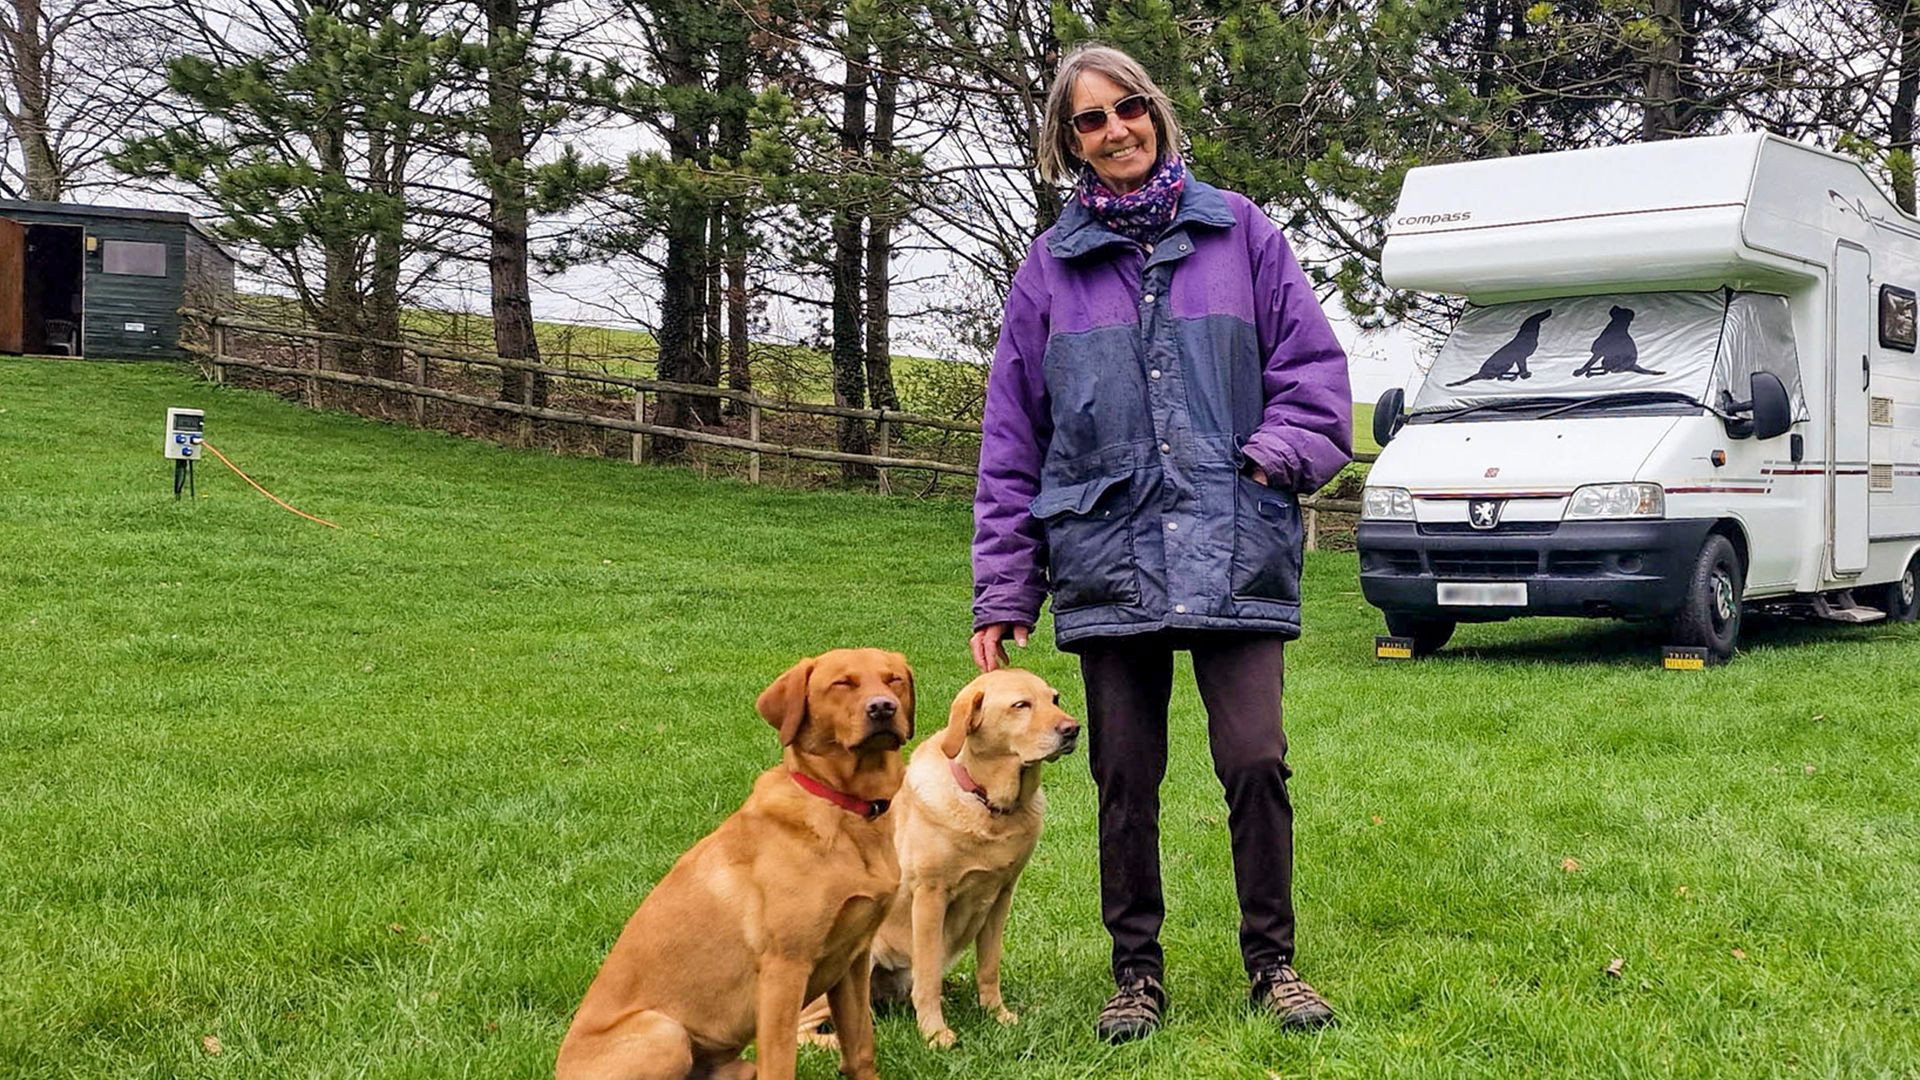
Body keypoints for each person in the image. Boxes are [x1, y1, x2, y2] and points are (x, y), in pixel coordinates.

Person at [968, 43, 1352, 1043]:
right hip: (1108, 556)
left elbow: (1314, 377)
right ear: (1069, 143)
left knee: (1255, 759)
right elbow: (1015, 434)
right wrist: (1005, 587)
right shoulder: (1049, 271)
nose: (1115, 131)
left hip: (1235, 547)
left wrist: (1266, 458)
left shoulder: (1244, 235)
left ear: (1158, 114)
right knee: (1122, 777)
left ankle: (1273, 962)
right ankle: (1135, 972)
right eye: (1089, 121)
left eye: (1127, 108)